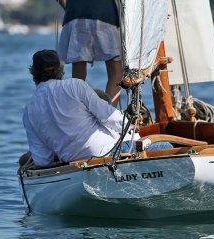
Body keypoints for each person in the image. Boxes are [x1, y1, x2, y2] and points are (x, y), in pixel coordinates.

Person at [23, 50, 171, 167]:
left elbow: (42, 160)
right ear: (60, 70)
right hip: (108, 153)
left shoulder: (28, 110)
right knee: (166, 146)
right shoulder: (75, 86)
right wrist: (128, 126)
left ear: (33, 73)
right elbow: (108, 115)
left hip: (74, 163)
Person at [56, 0, 122, 106]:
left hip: (74, 14)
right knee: (115, 71)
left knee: (78, 72)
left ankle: (78, 113)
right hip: (105, 13)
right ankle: (109, 115)